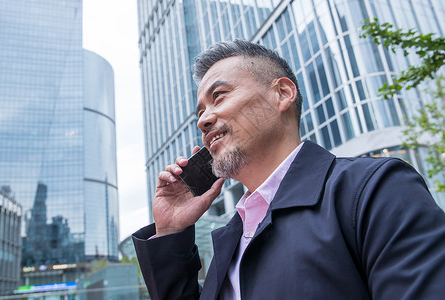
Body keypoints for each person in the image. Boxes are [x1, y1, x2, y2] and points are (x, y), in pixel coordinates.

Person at [133, 39, 445, 300]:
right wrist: (171, 233)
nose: (203, 120)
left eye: (219, 96)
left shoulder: (374, 189)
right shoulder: (231, 236)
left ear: (283, 93)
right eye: (200, 112)